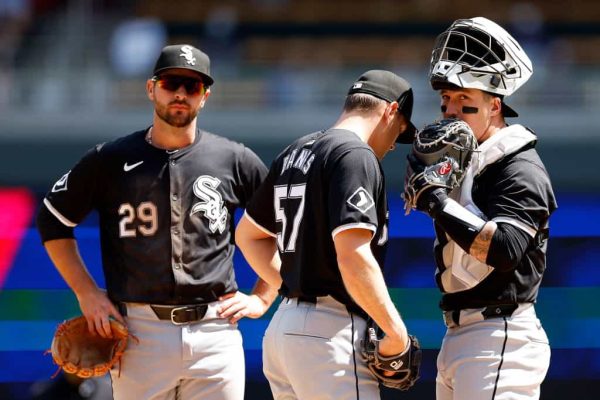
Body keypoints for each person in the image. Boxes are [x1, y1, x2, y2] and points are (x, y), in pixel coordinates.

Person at [36, 44, 277, 400]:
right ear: (152, 88)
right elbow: (52, 220)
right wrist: (86, 292)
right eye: (171, 83)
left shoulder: (235, 160)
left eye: (192, 86)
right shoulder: (111, 159)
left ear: (205, 96)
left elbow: (285, 228)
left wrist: (263, 296)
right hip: (138, 332)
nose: (180, 93)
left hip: (216, 328)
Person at [235, 70, 418, 399]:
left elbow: (248, 236)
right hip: (330, 333)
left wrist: (289, 286)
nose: (393, 145)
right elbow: (353, 256)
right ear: (391, 111)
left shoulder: (295, 150)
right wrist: (395, 332)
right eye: (399, 132)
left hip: (283, 331)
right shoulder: (355, 155)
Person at [405, 17, 557, 399]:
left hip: (500, 335)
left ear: (495, 105)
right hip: (462, 335)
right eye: (446, 102)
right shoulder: (466, 162)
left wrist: (436, 202)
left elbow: (505, 250)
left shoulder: (518, 164)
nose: (452, 112)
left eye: (466, 103)